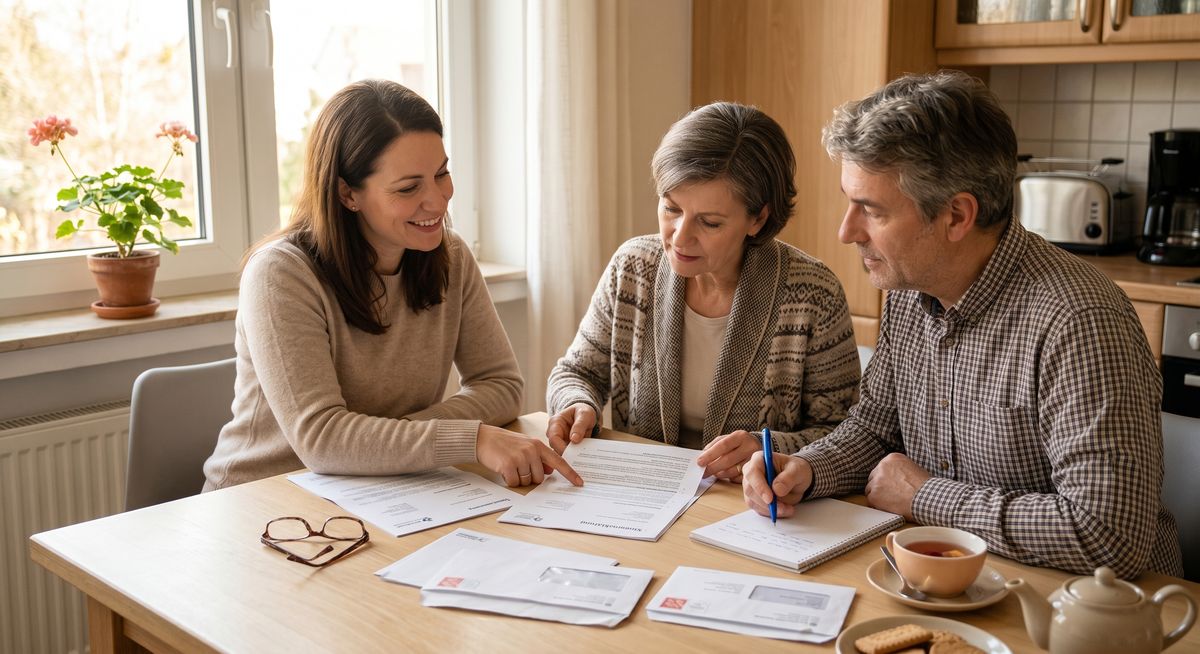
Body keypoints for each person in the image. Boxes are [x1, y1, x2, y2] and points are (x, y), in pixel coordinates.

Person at [741, 70, 1184, 578]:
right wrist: (809, 468)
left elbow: (1108, 537)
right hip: (956, 578)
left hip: (1089, 604)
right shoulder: (910, 289)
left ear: (956, 216)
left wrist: (925, 496)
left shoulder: (1079, 322)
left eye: (871, 210)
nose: (847, 231)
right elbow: (876, 428)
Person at [203, 80, 581, 491]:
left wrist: (384, 441)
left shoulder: (451, 256)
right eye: (408, 188)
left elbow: (502, 386)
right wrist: (469, 438)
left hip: (387, 488)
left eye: (441, 173)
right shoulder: (280, 274)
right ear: (347, 194)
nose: (437, 200)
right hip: (264, 496)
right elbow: (322, 440)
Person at [545, 101, 861, 481]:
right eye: (671, 209)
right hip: (643, 492)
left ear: (758, 219)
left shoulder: (813, 294)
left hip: (751, 502)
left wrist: (767, 447)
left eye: (709, 223)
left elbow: (846, 434)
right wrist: (578, 403)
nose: (680, 237)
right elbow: (576, 372)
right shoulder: (633, 267)